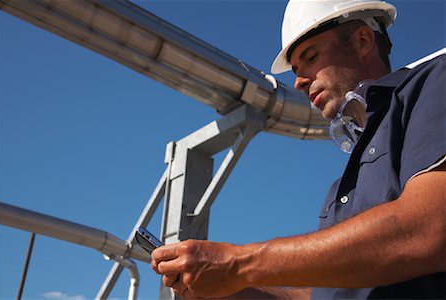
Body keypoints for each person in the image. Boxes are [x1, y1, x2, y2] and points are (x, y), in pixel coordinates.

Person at [151, 0, 446, 299]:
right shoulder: (340, 190)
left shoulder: (433, 84)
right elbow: (322, 292)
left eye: (311, 56)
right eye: (295, 69)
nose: (299, 82)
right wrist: (227, 290)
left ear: (362, 40)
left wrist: (239, 264)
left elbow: (430, 227)